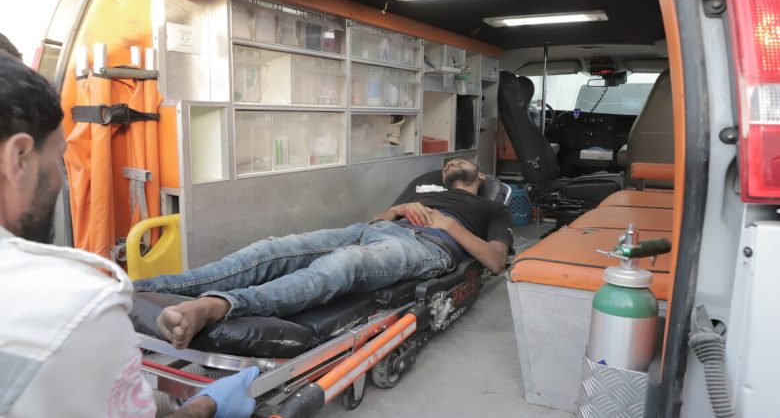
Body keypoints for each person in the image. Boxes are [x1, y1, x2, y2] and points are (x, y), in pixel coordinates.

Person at [0, 53, 258, 418]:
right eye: (59, 158)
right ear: (19, 157)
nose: (61, 178)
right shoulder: (76, 306)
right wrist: (207, 405)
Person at [134, 158, 513, 349]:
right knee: (274, 248)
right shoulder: (423, 189)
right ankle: (145, 287)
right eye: (448, 164)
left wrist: (449, 226)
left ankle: (216, 306)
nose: (452, 164)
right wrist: (398, 209)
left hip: (428, 247)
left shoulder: (491, 208)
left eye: (461, 162)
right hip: (376, 229)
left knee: (343, 264)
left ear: (481, 178)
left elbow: (495, 261)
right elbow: (377, 219)